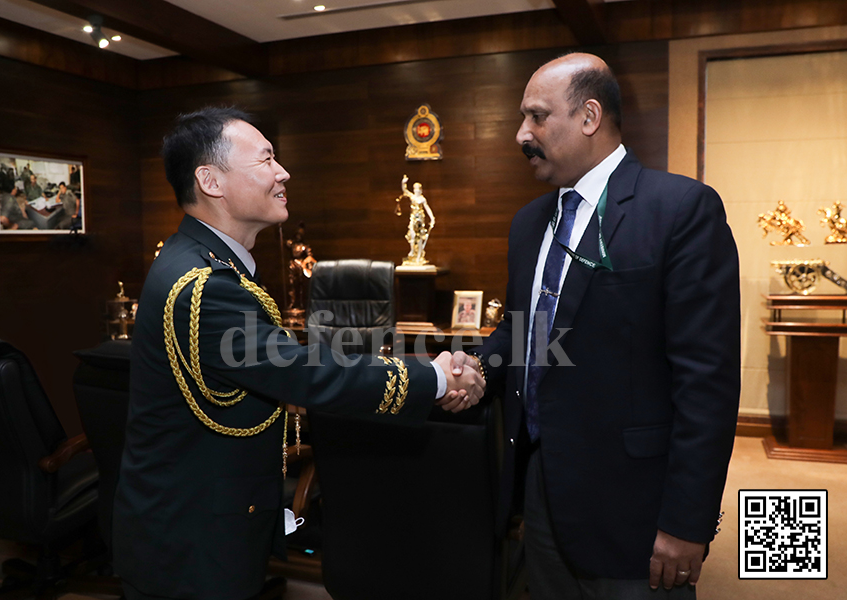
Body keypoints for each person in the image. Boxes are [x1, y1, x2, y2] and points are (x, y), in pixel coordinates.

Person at [113, 107, 485, 600]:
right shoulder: (205, 284)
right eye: (266, 159)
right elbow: (306, 373)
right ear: (211, 180)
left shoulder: (207, 263)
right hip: (190, 543)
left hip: (197, 526)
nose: (282, 172)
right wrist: (435, 378)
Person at [450, 53, 740, 598]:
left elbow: (709, 384)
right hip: (540, 492)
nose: (521, 134)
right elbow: (525, 335)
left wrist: (687, 522)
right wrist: (478, 371)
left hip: (637, 504)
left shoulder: (680, 210)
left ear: (589, 116)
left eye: (536, 116)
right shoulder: (529, 222)